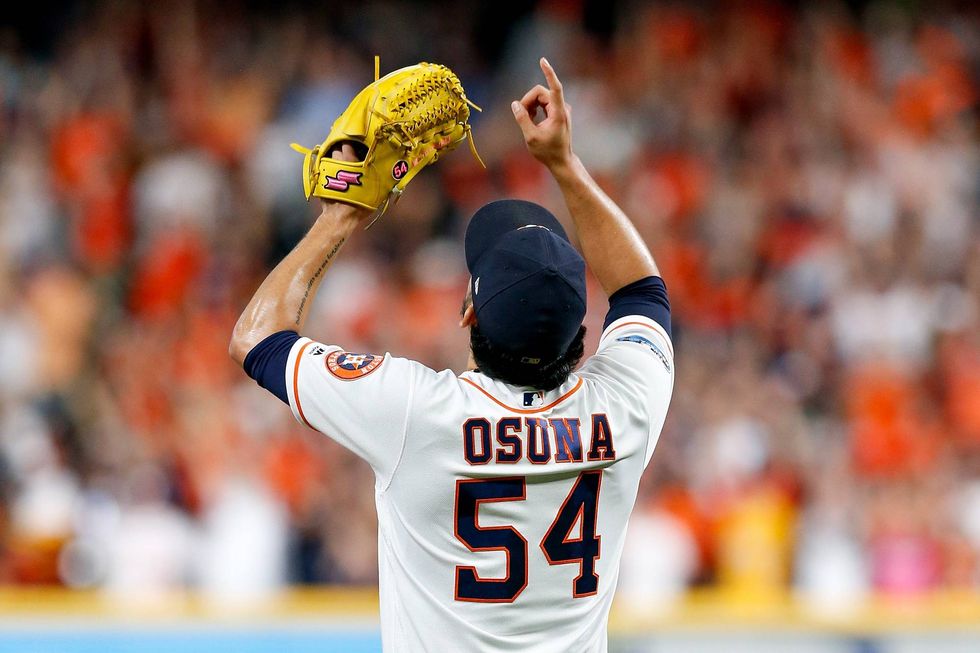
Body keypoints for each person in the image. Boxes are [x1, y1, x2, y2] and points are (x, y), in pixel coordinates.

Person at [229, 58, 673, 653]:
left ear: (468, 311)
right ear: (583, 333)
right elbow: (642, 292)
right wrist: (565, 166)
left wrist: (341, 214)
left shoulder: (418, 414)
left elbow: (257, 338)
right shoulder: (626, 411)